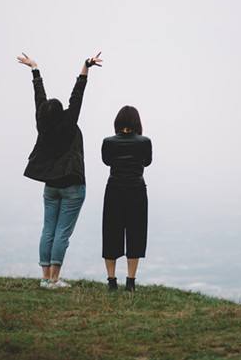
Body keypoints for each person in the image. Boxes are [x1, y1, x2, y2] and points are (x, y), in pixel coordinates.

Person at [17, 51, 103, 289]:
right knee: (62, 233)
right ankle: (54, 279)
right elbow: (78, 94)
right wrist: (86, 66)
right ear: (62, 112)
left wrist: (35, 70)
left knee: (48, 229)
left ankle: (45, 278)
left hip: (51, 187)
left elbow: (39, 98)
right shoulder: (69, 121)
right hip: (73, 186)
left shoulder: (42, 125)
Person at [101, 106, 152, 292]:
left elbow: (107, 161)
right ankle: (130, 282)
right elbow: (147, 162)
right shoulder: (144, 142)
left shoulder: (108, 142)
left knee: (111, 233)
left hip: (114, 189)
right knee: (135, 234)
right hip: (137, 190)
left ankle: (111, 281)